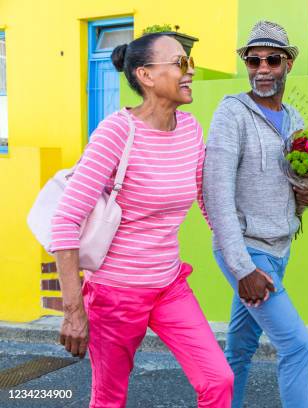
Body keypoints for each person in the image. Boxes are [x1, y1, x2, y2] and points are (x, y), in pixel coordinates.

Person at [51, 33, 233, 407]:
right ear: (146, 75)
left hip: (169, 285)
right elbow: (65, 221)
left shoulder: (191, 130)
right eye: (180, 62)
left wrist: (242, 257)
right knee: (110, 398)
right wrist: (73, 310)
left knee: (218, 379)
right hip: (115, 294)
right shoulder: (116, 133)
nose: (191, 71)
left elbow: (207, 200)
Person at [203, 21, 308, 408]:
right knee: (296, 346)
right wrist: (242, 268)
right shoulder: (232, 114)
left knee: (239, 352)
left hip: (280, 249)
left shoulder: (295, 120)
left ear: (288, 63)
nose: (262, 69)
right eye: (253, 59)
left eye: (272, 59)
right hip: (248, 252)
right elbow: (216, 193)